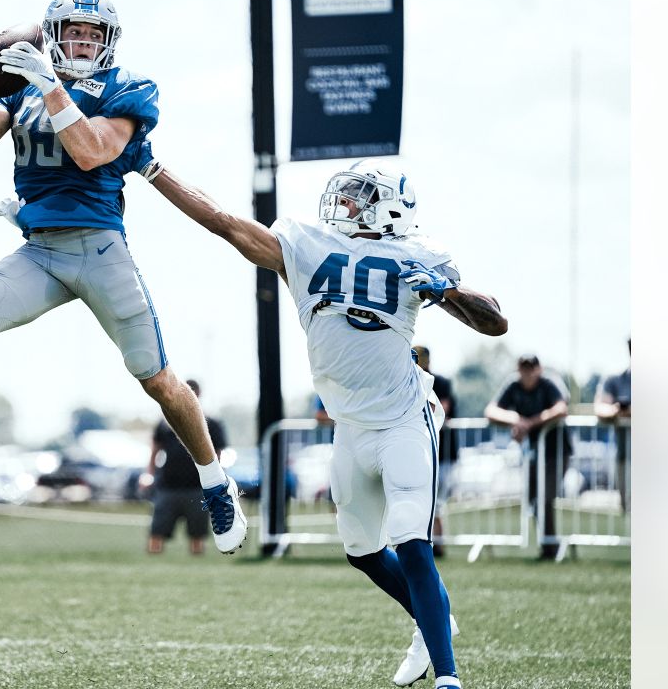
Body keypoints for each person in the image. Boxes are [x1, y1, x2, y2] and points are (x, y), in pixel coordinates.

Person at [0, 0, 246, 554]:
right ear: (52, 34)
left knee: (158, 379)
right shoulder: (24, 92)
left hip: (100, 248)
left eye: (94, 32)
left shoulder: (124, 89)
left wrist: (51, 86)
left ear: (108, 40)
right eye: (73, 30)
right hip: (39, 247)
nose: (83, 40)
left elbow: (90, 152)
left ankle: (214, 479)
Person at [142, 155, 508, 689]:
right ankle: (432, 622)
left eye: (358, 194)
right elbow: (224, 222)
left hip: (406, 418)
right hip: (350, 426)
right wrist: (154, 172)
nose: (344, 203)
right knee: (362, 551)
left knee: (411, 539)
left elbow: (495, 322)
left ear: (390, 208)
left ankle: (448, 677)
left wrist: (446, 291)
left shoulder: (417, 253)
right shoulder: (309, 244)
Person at [484, 354, 569, 560]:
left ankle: (550, 546)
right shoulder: (513, 385)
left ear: (538, 369)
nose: (528, 372)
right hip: (532, 453)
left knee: (545, 496)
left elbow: (561, 408)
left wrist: (529, 423)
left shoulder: (549, 384)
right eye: (524, 368)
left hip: (556, 450)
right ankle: (548, 545)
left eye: (531, 368)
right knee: (533, 497)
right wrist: (515, 419)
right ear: (518, 369)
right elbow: (491, 410)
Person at [144, 379, 228, 555]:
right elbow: (155, 449)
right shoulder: (164, 422)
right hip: (168, 485)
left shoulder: (210, 423)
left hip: (197, 486)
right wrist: (149, 474)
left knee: (197, 533)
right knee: (157, 530)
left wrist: (216, 481)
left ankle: (197, 569)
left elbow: (218, 454)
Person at [412, 345, 456, 557]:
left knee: (436, 502)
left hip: (443, 452)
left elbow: (440, 409)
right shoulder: (407, 380)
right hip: (421, 452)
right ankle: (430, 544)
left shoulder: (442, 383)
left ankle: (436, 545)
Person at [594, 338, 631, 512]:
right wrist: (618, 410)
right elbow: (600, 408)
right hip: (625, 456)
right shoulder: (616, 379)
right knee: (629, 507)